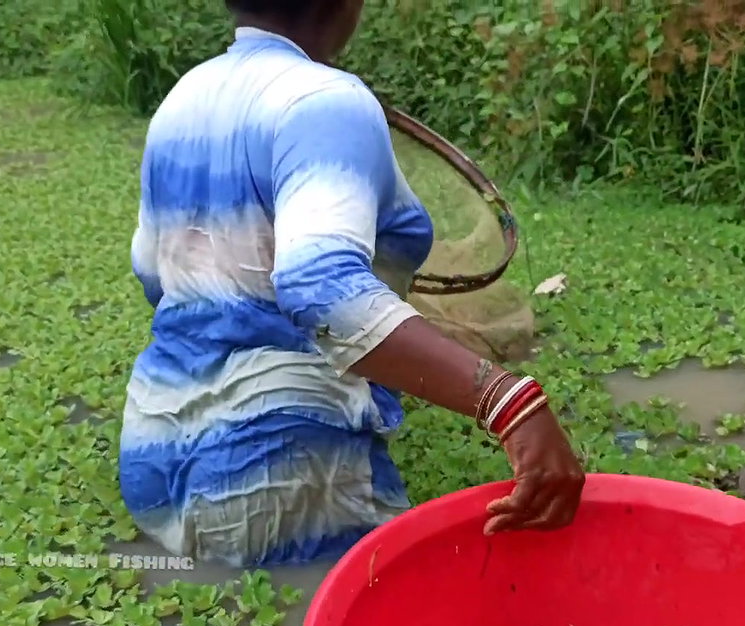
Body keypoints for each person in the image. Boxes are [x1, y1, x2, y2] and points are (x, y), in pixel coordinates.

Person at [118, 0, 585, 567]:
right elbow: (321, 284)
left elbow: (156, 274)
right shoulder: (327, 101)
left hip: (154, 458)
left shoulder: (179, 101)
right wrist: (511, 405)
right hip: (280, 479)